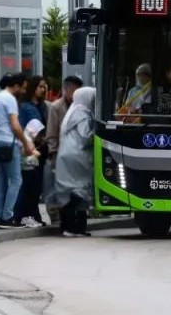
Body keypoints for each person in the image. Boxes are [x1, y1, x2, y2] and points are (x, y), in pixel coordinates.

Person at [0, 74, 36, 229]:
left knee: (1, 181)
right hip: (8, 143)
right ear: (15, 86)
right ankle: (7, 216)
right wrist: (26, 142)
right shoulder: (10, 99)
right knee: (16, 180)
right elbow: (15, 126)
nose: (23, 91)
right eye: (22, 87)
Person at [51, 87, 96, 237]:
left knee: (70, 191)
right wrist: (98, 132)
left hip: (66, 155)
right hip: (78, 156)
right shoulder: (83, 113)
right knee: (79, 191)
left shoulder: (72, 111)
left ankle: (72, 227)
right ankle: (73, 227)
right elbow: (85, 136)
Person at [16, 75, 49, 227]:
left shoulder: (43, 106)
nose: (43, 89)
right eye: (40, 86)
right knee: (29, 183)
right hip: (29, 149)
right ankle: (24, 214)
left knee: (36, 184)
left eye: (45, 86)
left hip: (41, 150)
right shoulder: (25, 107)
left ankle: (33, 214)